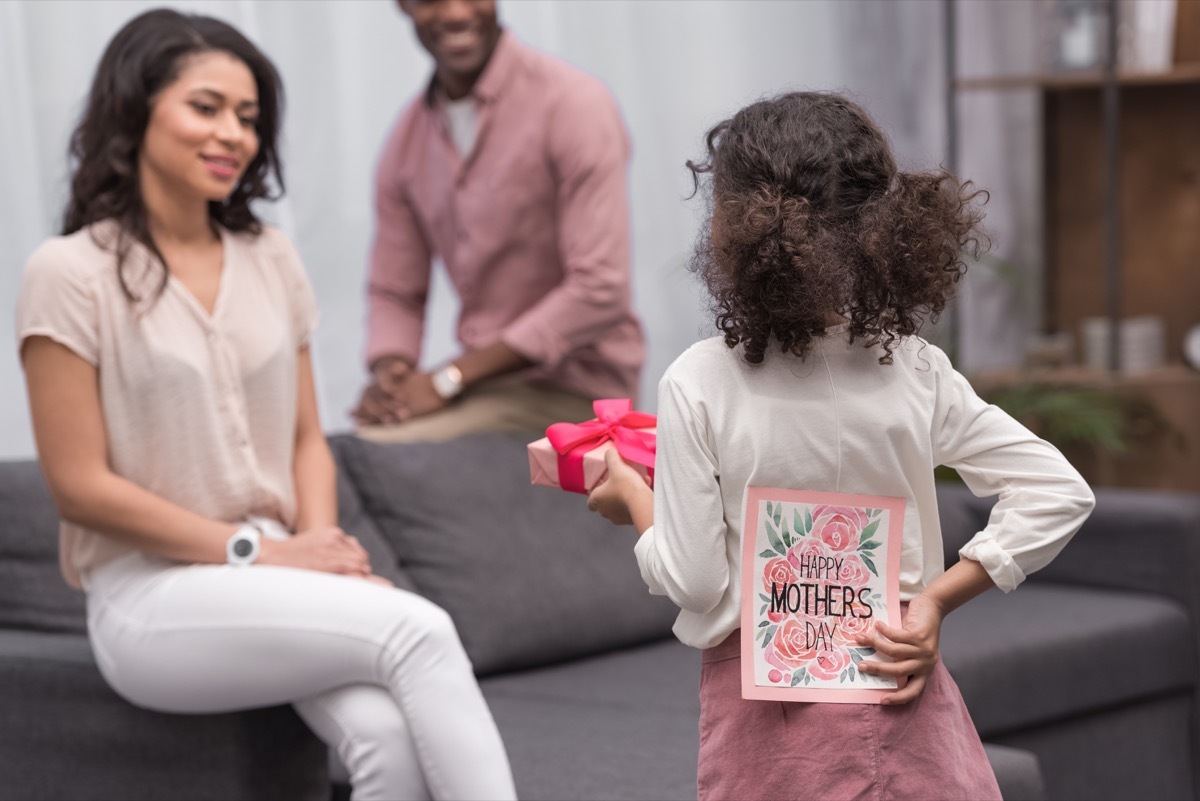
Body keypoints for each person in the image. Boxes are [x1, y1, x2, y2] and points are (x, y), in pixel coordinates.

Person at [16, 9, 515, 801]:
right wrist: (261, 551)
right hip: (150, 595)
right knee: (420, 629)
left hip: (278, 569)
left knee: (386, 734)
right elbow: (80, 487)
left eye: (248, 117)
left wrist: (317, 545)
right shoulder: (69, 273)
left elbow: (307, 437)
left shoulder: (271, 256)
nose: (235, 135)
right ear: (136, 109)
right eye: (206, 107)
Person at [585, 91, 1096, 801]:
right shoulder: (911, 368)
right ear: (881, 227)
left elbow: (697, 583)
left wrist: (636, 505)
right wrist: (935, 602)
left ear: (730, 226)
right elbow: (1060, 490)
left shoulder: (699, 383)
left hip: (771, 726)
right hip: (898, 686)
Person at [351, 0, 645, 441]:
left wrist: (448, 378)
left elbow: (600, 288)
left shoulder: (573, 104)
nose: (455, 13)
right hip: (482, 391)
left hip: (576, 394)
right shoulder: (405, 142)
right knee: (351, 451)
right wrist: (391, 377)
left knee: (367, 455)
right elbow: (396, 292)